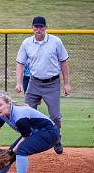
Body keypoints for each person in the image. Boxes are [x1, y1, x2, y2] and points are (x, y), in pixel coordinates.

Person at [15, 16, 71, 155]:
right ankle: (27, 138)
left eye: (41, 27)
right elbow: (20, 63)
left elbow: (63, 62)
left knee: (56, 116)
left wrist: (67, 83)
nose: (38, 29)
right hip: (34, 83)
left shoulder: (55, 42)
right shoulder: (27, 43)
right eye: (36, 27)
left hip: (52, 83)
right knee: (25, 113)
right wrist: (19, 82)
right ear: (32, 27)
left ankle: (56, 138)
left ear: (46, 27)